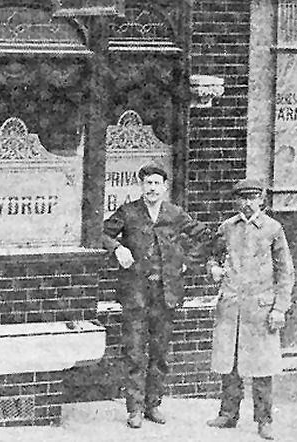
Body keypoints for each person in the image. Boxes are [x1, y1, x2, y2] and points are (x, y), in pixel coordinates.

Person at [101, 162, 210, 429]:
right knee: (135, 351)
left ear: (164, 187)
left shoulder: (174, 213)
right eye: (147, 183)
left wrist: (186, 262)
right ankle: (135, 409)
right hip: (136, 293)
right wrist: (117, 248)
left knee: (160, 352)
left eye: (156, 183)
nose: (152, 188)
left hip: (165, 294)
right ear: (141, 186)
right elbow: (100, 232)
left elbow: (205, 236)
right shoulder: (128, 212)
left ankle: (153, 405)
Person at [206, 179, 294, 441]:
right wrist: (214, 268)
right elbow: (213, 256)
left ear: (261, 200)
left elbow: (285, 272)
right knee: (230, 363)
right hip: (231, 308)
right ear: (236, 200)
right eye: (243, 198)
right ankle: (228, 414)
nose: (247, 203)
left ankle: (264, 420)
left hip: (260, 310)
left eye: (253, 198)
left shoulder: (273, 229)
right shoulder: (227, 227)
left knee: (261, 368)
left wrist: (279, 308)